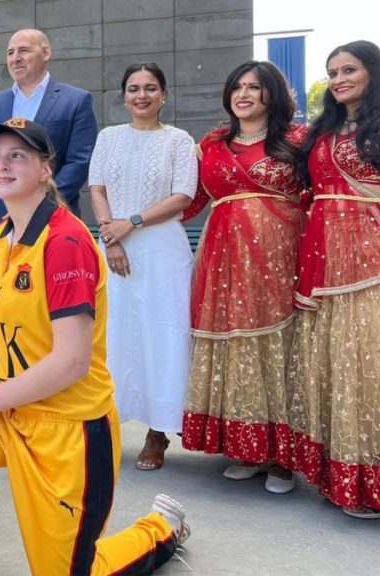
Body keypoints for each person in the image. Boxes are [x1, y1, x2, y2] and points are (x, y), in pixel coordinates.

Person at [0, 118, 190, 576]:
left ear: (46, 170)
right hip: (10, 409)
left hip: (67, 428)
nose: (2, 163)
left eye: (18, 155)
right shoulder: (1, 236)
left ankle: (161, 528)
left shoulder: (64, 241)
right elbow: (9, 334)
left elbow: (72, 361)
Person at [180, 61, 306, 494]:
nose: (244, 94)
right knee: (233, 346)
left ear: (273, 93)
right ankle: (246, 448)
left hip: (277, 255)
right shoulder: (211, 144)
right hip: (221, 258)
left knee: (276, 345)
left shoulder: (297, 140)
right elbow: (191, 200)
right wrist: (132, 222)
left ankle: (281, 458)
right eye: (237, 86)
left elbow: (315, 195)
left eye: (255, 87)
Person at [88, 63, 197, 471]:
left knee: (162, 338)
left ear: (164, 95)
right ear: (124, 96)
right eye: (133, 88)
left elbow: (183, 195)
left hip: (161, 251)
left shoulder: (179, 140)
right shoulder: (108, 137)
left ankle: (158, 432)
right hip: (114, 247)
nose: (142, 95)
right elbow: (96, 187)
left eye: (151, 88)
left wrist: (130, 223)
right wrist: (110, 235)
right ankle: (108, 426)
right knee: (114, 337)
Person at [289, 40, 380, 519]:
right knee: (332, 360)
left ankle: (371, 478)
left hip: (369, 255)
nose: (340, 78)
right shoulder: (320, 131)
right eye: (333, 72)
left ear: (372, 72)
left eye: (350, 69)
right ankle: (338, 475)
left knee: (366, 363)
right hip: (322, 250)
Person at [0, 28, 97, 229]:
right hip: (1, 223)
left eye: (24, 51)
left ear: (46, 53)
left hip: (55, 220)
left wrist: (41, 208)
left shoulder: (76, 101)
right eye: (10, 53)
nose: (16, 58)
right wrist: (3, 209)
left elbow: (80, 161)